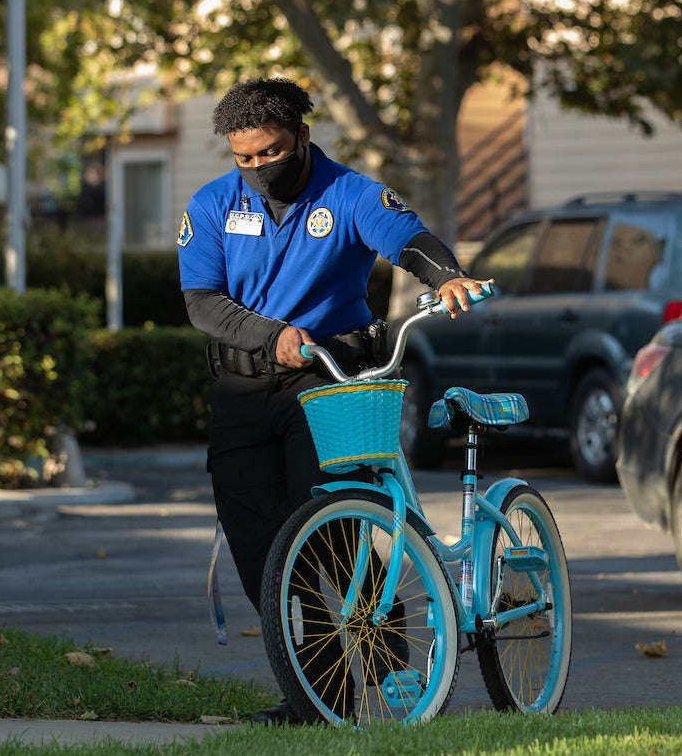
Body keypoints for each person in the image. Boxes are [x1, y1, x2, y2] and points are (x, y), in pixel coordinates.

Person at [177, 77, 489, 725]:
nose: (260, 167)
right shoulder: (211, 204)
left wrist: (448, 275)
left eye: (271, 152)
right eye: (246, 158)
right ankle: (316, 697)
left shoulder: (348, 194)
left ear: (302, 137)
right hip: (241, 385)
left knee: (325, 530)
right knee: (260, 551)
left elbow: (407, 238)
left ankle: (387, 653)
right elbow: (202, 301)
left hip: (327, 380)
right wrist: (271, 336)